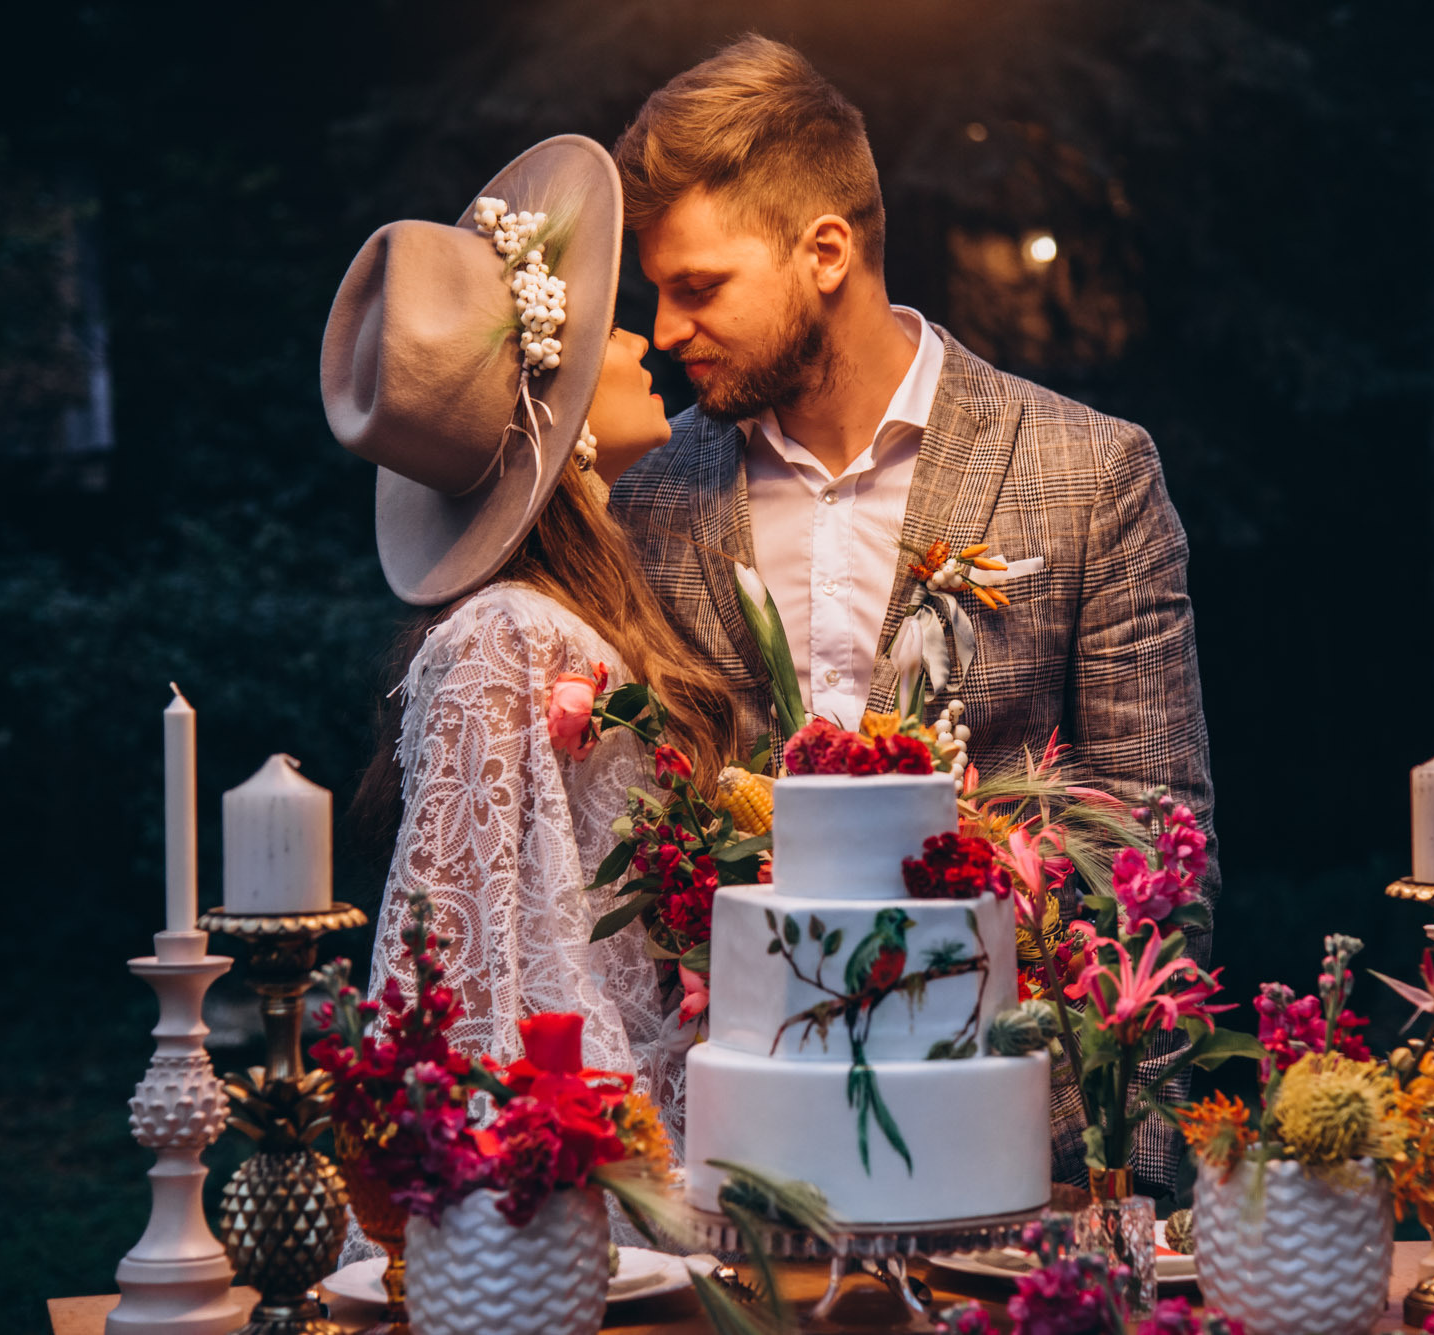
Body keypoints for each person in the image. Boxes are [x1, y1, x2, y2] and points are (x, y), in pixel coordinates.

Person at [606, 36, 1218, 1195]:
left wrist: (1126, 1174)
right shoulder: (646, 502)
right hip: (743, 1160)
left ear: (823, 251)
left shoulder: (1090, 473)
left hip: (1015, 1155)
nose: (666, 329)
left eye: (698, 287)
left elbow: (1154, 853)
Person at [321, 134, 736, 1142]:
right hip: (567, 1167)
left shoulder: (580, 611)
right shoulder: (498, 635)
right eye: (603, 335)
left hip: (652, 1139)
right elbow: (452, 970)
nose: (642, 344)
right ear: (554, 404)